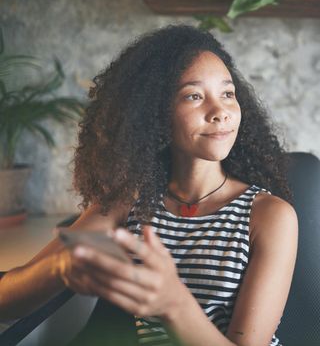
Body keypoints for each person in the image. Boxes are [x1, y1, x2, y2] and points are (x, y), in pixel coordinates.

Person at [0, 25, 298, 346]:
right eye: (194, 96)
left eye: (228, 93)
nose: (220, 112)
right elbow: (6, 299)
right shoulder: (129, 202)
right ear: (155, 115)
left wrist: (173, 303)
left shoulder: (269, 216)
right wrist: (59, 269)